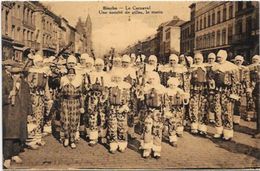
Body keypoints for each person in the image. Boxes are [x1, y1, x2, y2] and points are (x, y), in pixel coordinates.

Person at [3, 60, 32, 168]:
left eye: (18, 73)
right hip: (9, 114)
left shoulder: (25, 84)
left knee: (19, 135)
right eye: (14, 73)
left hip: (21, 113)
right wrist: (8, 97)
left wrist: (29, 113)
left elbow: (28, 100)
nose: (16, 75)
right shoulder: (5, 83)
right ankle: (6, 157)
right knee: (9, 136)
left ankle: (15, 154)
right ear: (10, 73)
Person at [212, 50, 239, 140]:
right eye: (218, 57)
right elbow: (211, 78)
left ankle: (227, 132)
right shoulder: (214, 67)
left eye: (220, 57)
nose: (218, 59)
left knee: (227, 111)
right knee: (217, 110)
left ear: (224, 57)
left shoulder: (232, 67)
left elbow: (236, 82)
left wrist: (234, 93)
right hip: (217, 91)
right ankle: (219, 130)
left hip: (227, 92)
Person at [139, 71, 166, 159]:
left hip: (158, 113)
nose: (151, 80)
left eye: (153, 79)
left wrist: (165, 111)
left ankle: (156, 149)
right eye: (150, 79)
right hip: (148, 112)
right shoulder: (145, 88)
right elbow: (141, 101)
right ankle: (147, 148)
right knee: (147, 129)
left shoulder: (161, 88)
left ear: (157, 79)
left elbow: (166, 101)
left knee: (157, 130)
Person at [27, 54, 51, 149]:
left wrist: (47, 96)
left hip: (41, 97)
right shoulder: (31, 71)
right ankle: (31, 139)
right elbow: (28, 84)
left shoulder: (44, 72)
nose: (40, 64)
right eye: (38, 62)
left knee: (40, 116)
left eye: (41, 62)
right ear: (35, 62)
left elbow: (46, 86)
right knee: (32, 117)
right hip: (33, 96)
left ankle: (38, 138)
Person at [84, 58, 109, 146]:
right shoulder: (90, 74)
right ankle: (93, 137)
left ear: (103, 66)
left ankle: (103, 135)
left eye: (100, 65)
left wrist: (104, 96)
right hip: (93, 97)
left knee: (102, 116)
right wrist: (90, 87)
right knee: (92, 116)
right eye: (97, 65)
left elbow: (107, 87)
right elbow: (86, 86)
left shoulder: (106, 74)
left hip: (102, 97)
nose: (98, 67)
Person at [60, 62, 85, 149]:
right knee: (66, 121)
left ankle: (72, 140)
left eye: (72, 75)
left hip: (75, 103)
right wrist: (61, 104)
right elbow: (60, 95)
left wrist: (82, 106)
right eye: (69, 75)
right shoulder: (64, 83)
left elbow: (81, 96)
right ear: (67, 76)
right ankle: (66, 138)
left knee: (74, 122)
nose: (71, 77)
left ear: (75, 76)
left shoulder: (78, 84)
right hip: (65, 103)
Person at [107, 70, 131, 153]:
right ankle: (113, 144)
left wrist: (124, 107)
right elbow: (107, 98)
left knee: (122, 126)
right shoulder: (110, 86)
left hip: (122, 109)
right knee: (112, 126)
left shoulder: (125, 87)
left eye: (118, 78)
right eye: (115, 77)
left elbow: (128, 99)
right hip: (112, 108)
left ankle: (122, 144)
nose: (117, 79)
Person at [164, 78, 189, 147]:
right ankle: (172, 138)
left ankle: (178, 131)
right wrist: (166, 110)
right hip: (170, 109)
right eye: (171, 84)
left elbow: (185, 100)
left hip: (178, 109)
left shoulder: (179, 91)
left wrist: (185, 97)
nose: (173, 86)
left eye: (174, 85)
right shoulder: (167, 91)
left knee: (178, 121)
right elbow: (165, 102)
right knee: (172, 122)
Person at [188, 53, 208, 136]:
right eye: (196, 59)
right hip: (193, 89)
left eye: (199, 59)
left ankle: (202, 127)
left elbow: (208, 79)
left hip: (203, 90)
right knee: (193, 107)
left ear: (202, 59)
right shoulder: (191, 68)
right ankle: (194, 126)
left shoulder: (205, 68)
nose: (197, 60)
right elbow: (188, 80)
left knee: (203, 107)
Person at [122, 54, 137, 139]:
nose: (125, 64)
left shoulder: (132, 71)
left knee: (131, 114)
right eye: (123, 62)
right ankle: (122, 131)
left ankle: (131, 132)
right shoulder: (119, 71)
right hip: (122, 95)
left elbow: (135, 83)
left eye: (126, 62)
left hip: (130, 95)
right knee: (122, 113)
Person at [233, 55, 250, 124]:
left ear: (242, 61)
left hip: (240, 88)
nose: (238, 62)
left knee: (238, 103)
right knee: (231, 103)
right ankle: (231, 117)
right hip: (232, 88)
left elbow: (247, 79)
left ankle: (236, 119)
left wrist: (247, 88)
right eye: (237, 60)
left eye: (240, 60)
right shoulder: (232, 68)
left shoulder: (245, 69)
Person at [248, 55, 260, 138]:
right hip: (256, 92)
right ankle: (259, 130)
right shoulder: (250, 68)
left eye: (256, 59)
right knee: (258, 111)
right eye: (253, 59)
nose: (255, 61)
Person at [205, 53, 219, 124]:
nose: (211, 60)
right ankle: (208, 116)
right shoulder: (205, 65)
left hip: (215, 87)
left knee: (213, 101)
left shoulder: (217, 66)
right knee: (207, 101)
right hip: (206, 86)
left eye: (212, 58)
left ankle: (212, 117)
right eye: (209, 58)